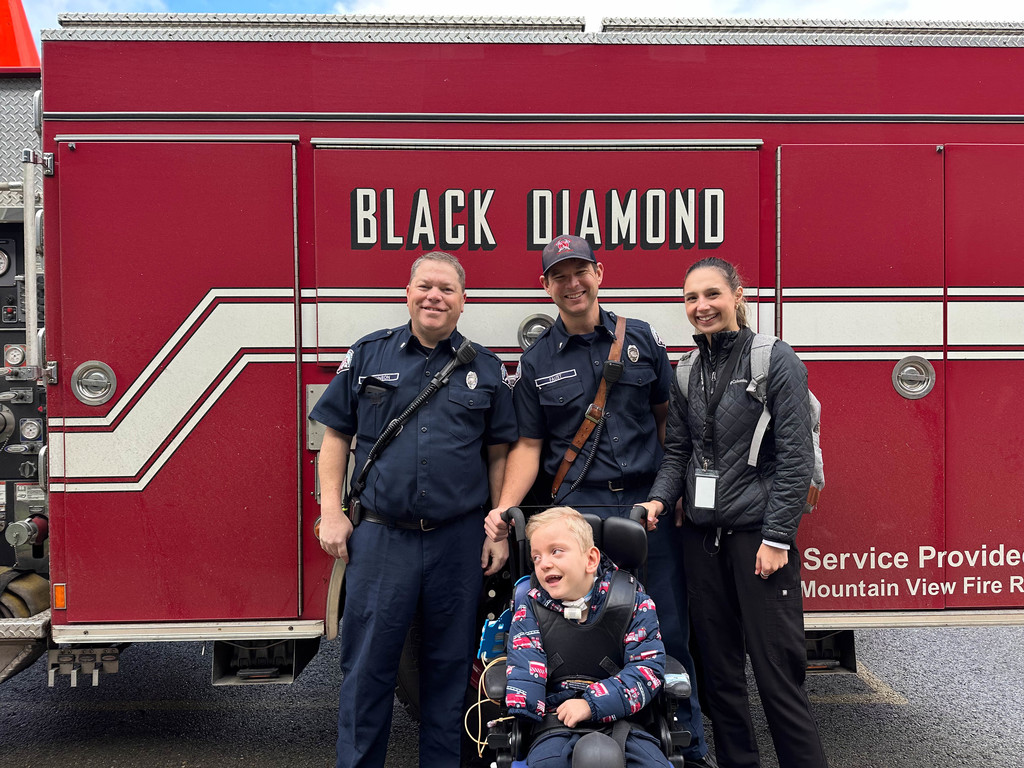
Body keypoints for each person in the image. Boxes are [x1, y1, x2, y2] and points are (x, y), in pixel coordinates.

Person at [484, 234, 714, 768]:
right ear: (545, 287)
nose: (572, 283)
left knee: (670, 631)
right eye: (559, 276)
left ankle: (689, 751)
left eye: (580, 271)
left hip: (645, 511)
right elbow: (530, 446)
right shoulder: (537, 360)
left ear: (599, 274)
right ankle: (558, 736)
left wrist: (668, 494)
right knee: (575, 632)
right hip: (578, 512)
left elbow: (667, 424)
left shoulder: (641, 341)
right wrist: (504, 509)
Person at [312, 252, 518, 768]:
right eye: (425, 286)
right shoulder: (368, 354)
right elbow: (335, 435)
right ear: (407, 292)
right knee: (368, 671)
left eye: (447, 289)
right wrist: (332, 511)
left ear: (463, 301)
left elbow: (498, 453)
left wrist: (496, 528)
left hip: (457, 539)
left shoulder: (485, 368)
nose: (435, 297)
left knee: (448, 670)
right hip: (383, 539)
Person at [639, 257, 829, 768]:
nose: (701, 307)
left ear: (738, 295)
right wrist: (659, 497)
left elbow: (794, 459)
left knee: (777, 678)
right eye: (690, 299)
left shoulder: (774, 359)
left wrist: (777, 539)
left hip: (758, 541)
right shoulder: (686, 370)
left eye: (712, 295)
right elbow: (678, 452)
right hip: (703, 542)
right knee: (721, 679)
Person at [505, 506, 673, 768]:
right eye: (536, 557)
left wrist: (590, 703)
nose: (544, 562)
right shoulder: (530, 609)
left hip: (625, 721)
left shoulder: (635, 603)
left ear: (591, 560)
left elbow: (646, 670)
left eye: (556, 551)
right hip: (555, 723)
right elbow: (525, 663)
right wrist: (523, 709)